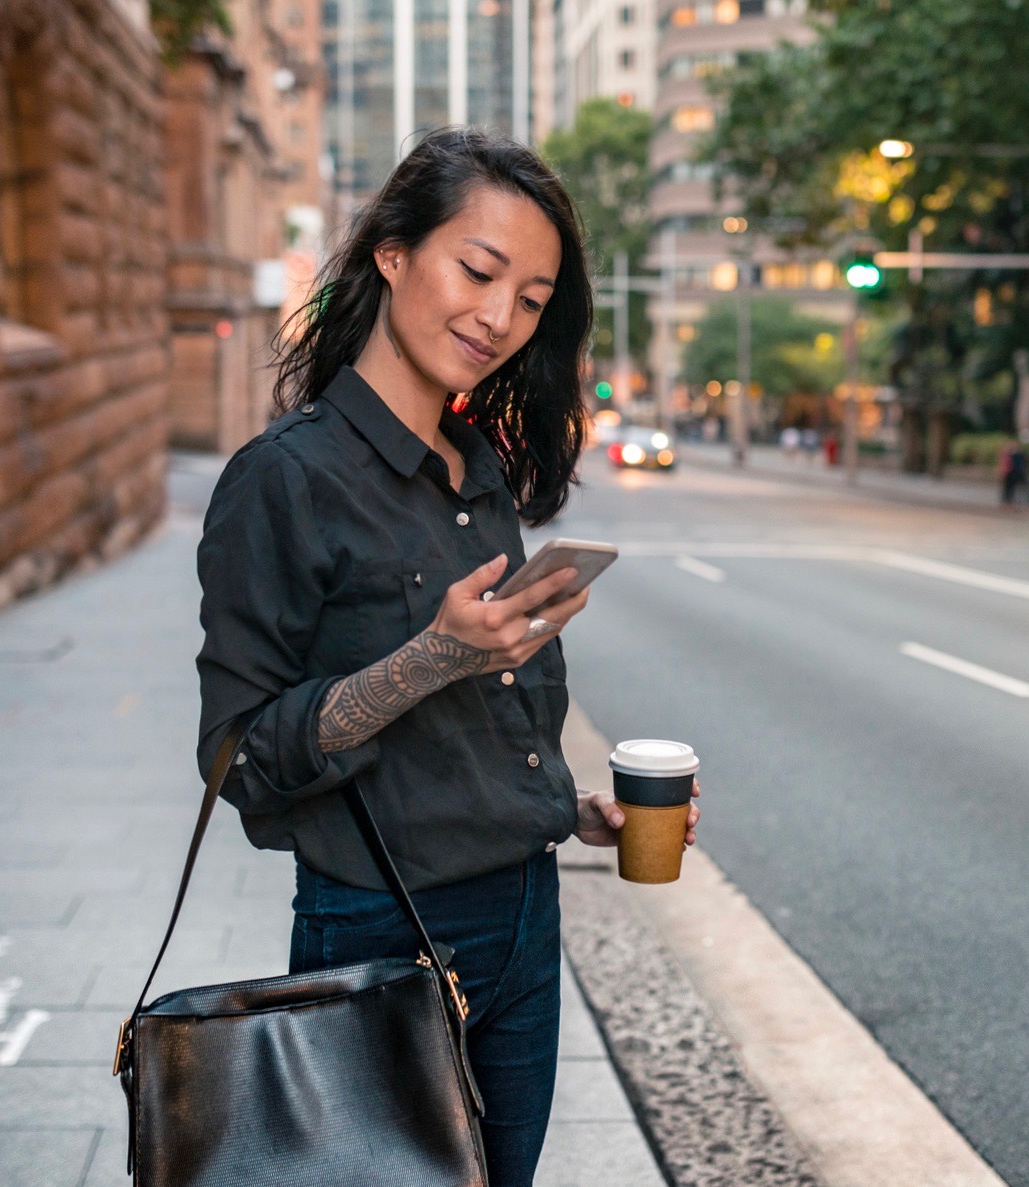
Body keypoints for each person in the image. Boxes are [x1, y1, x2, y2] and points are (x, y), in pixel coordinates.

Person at [195, 128, 700, 1187]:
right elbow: (240, 757)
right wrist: (427, 658)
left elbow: (477, 733)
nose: (498, 318)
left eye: (531, 298)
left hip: (524, 914)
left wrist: (575, 813)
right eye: (478, 271)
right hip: (382, 929)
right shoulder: (284, 478)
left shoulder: (472, 468)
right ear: (392, 253)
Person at [999, 440, 1029, 506]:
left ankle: (1008, 501)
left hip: (1013, 473)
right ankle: (1008, 501)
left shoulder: (1013, 455)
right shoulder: (1014, 455)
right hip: (1013, 473)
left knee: (1009, 488)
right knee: (1010, 488)